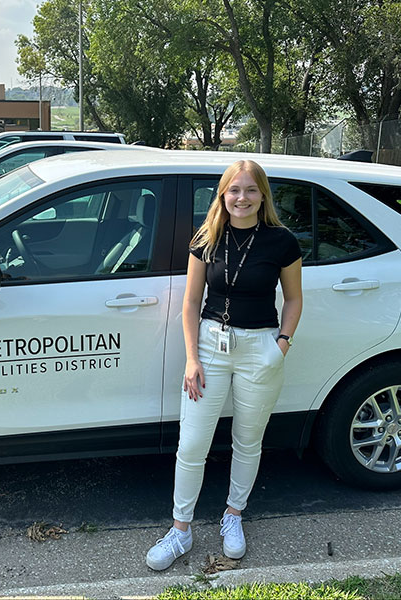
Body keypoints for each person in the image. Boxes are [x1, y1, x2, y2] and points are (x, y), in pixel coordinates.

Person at [146, 159, 303, 571]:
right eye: (234, 190)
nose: (242, 198)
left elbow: (293, 298)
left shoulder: (281, 242)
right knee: (192, 445)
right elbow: (190, 303)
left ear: (262, 195)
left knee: (248, 441)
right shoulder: (207, 238)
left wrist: (281, 345)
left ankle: (233, 516)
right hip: (210, 349)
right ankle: (180, 531)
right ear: (223, 194)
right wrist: (192, 358)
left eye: (251, 190)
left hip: (260, 350)